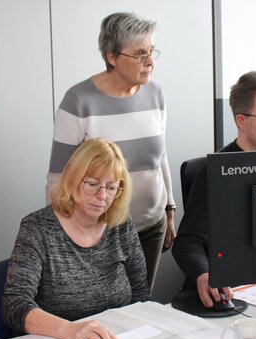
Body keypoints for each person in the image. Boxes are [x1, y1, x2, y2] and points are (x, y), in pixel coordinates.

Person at [47, 12, 175, 294]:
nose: (150, 61)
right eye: (140, 54)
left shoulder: (156, 94)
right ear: (112, 57)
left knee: (141, 306)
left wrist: (169, 211)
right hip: (100, 232)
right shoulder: (79, 100)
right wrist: (62, 236)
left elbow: (160, 156)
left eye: (152, 51)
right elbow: (58, 177)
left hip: (150, 225)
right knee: (105, 314)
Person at [3, 138, 149, 339]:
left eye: (111, 188)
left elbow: (140, 296)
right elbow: (14, 305)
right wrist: (69, 329)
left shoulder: (120, 225)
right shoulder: (37, 229)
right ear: (72, 177)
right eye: (92, 184)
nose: (102, 196)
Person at [172, 71, 256, 308]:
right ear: (241, 121)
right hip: (229, 293)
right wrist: (204, 274)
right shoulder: (216, 173)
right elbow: (187, 241)